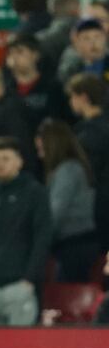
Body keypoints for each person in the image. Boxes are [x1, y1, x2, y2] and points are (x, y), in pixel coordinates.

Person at [0, 137, 52, 326]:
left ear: (19, 161)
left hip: (18, 286)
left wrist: (29, 280)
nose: (0, 164)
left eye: (6, 159)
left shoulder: (35, 194)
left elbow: (42, 237)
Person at [35, 119, 100, 282]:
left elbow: (55, 213)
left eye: (42, 148)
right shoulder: (67, 169)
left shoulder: (68, 171)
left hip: (75, 247)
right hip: (75, 244)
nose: (39, 154)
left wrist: (39, 241)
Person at [66, 74, 109, 251]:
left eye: (72, 96)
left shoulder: (88, 134)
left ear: (83, 97)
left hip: (98, 203)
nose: (70, 102)